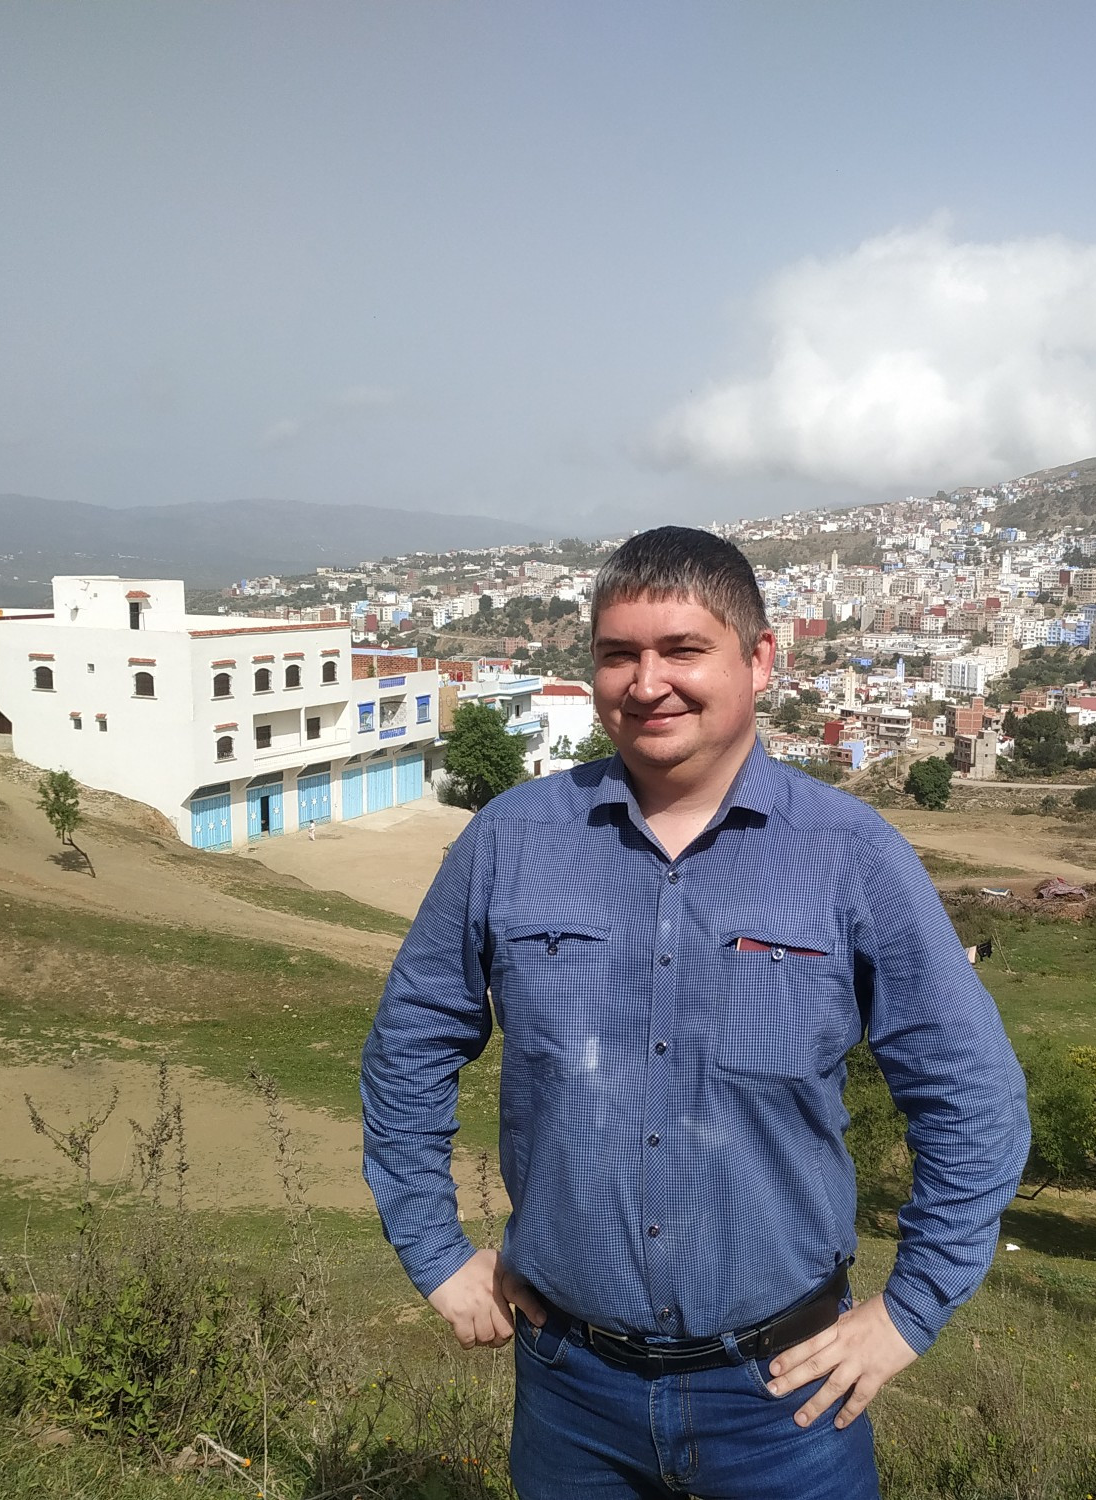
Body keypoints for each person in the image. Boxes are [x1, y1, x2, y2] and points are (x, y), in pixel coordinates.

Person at [361, 526, 1029, 1498]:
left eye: (681, 650)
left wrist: (907, 1313)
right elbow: (408, 1051)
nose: (646, 683)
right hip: (569, 1396)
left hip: (783, 1402)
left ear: (759, 659)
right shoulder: (510, 841)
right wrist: (433, 1249)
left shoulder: (849, 855)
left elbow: (973, 1095)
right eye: (617, 654)